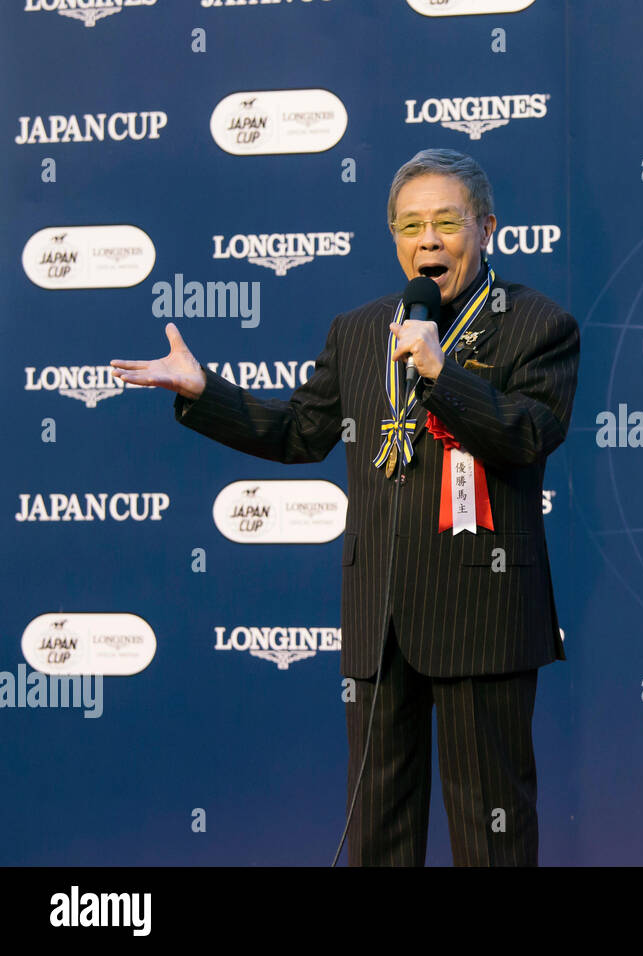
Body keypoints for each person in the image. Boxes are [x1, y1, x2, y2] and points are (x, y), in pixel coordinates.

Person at [111, 148, 580, 866]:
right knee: (378, 837)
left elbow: (527, 435)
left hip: (482, 617)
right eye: (410, 224)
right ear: (393, 236)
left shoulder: (539, 325)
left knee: (492, 835)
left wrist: (441, 372)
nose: (428, 240)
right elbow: (300, 433)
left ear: (486, 228)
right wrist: (205, 392)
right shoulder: (360, 331)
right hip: (379, 618)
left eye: (447, 222)